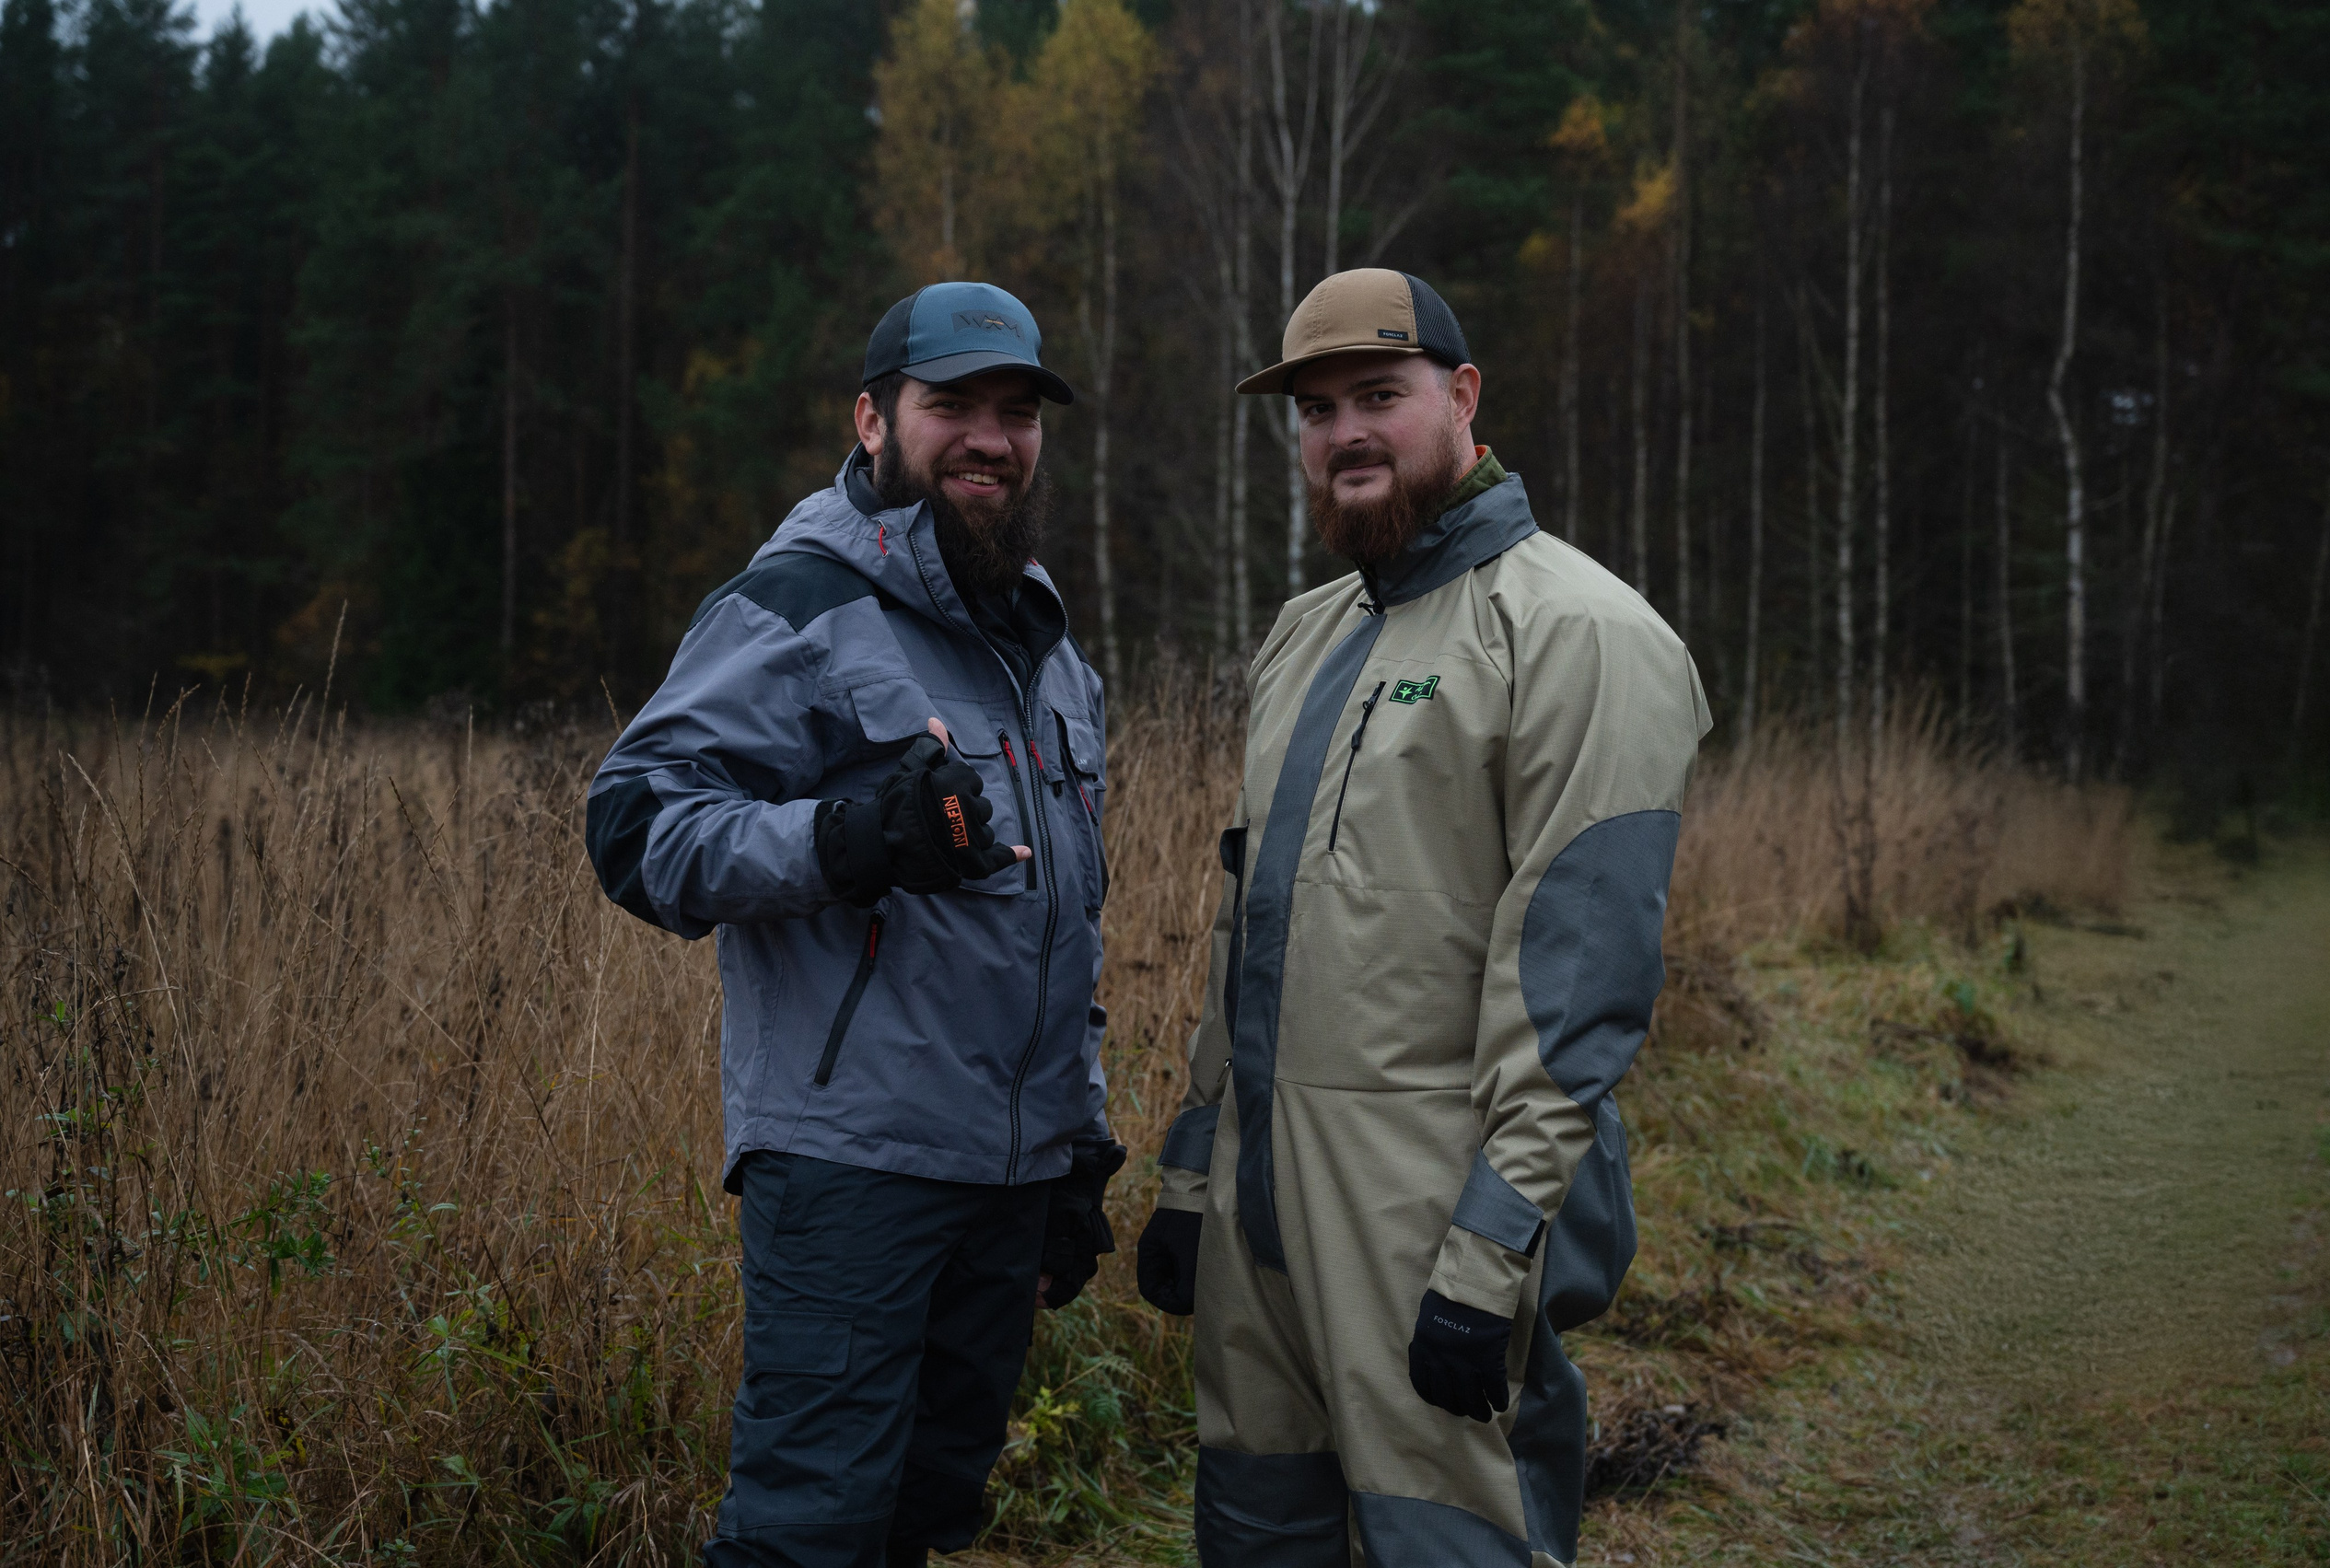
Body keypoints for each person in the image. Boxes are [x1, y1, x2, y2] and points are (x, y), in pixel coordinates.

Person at [1133, 268, 1709, 1566]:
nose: (1345, 433)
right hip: (1260, 1220)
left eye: (1380, 397)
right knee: (1254, 1533)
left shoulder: (1579, 633)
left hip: (1428, 1223)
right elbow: (1247, 932)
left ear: (1462, 398)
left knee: (1449, 1545)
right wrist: (1193, 1175)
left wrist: (1490, 1253)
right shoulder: (1304, 633)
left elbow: (1578, 990)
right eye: (1316, 408)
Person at [585, 281, 1125, 1568]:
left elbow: (1059, 921)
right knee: (809, 1529)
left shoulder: (1044, 650)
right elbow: (635, 827)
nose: (990, 437)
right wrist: (844, 839)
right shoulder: (797, 603)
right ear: (874, 419)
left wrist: (1076, 1148)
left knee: (926, 1513)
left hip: (1006, 1176)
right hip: (852, 1166)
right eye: (953, 406)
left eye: (1015, 410)